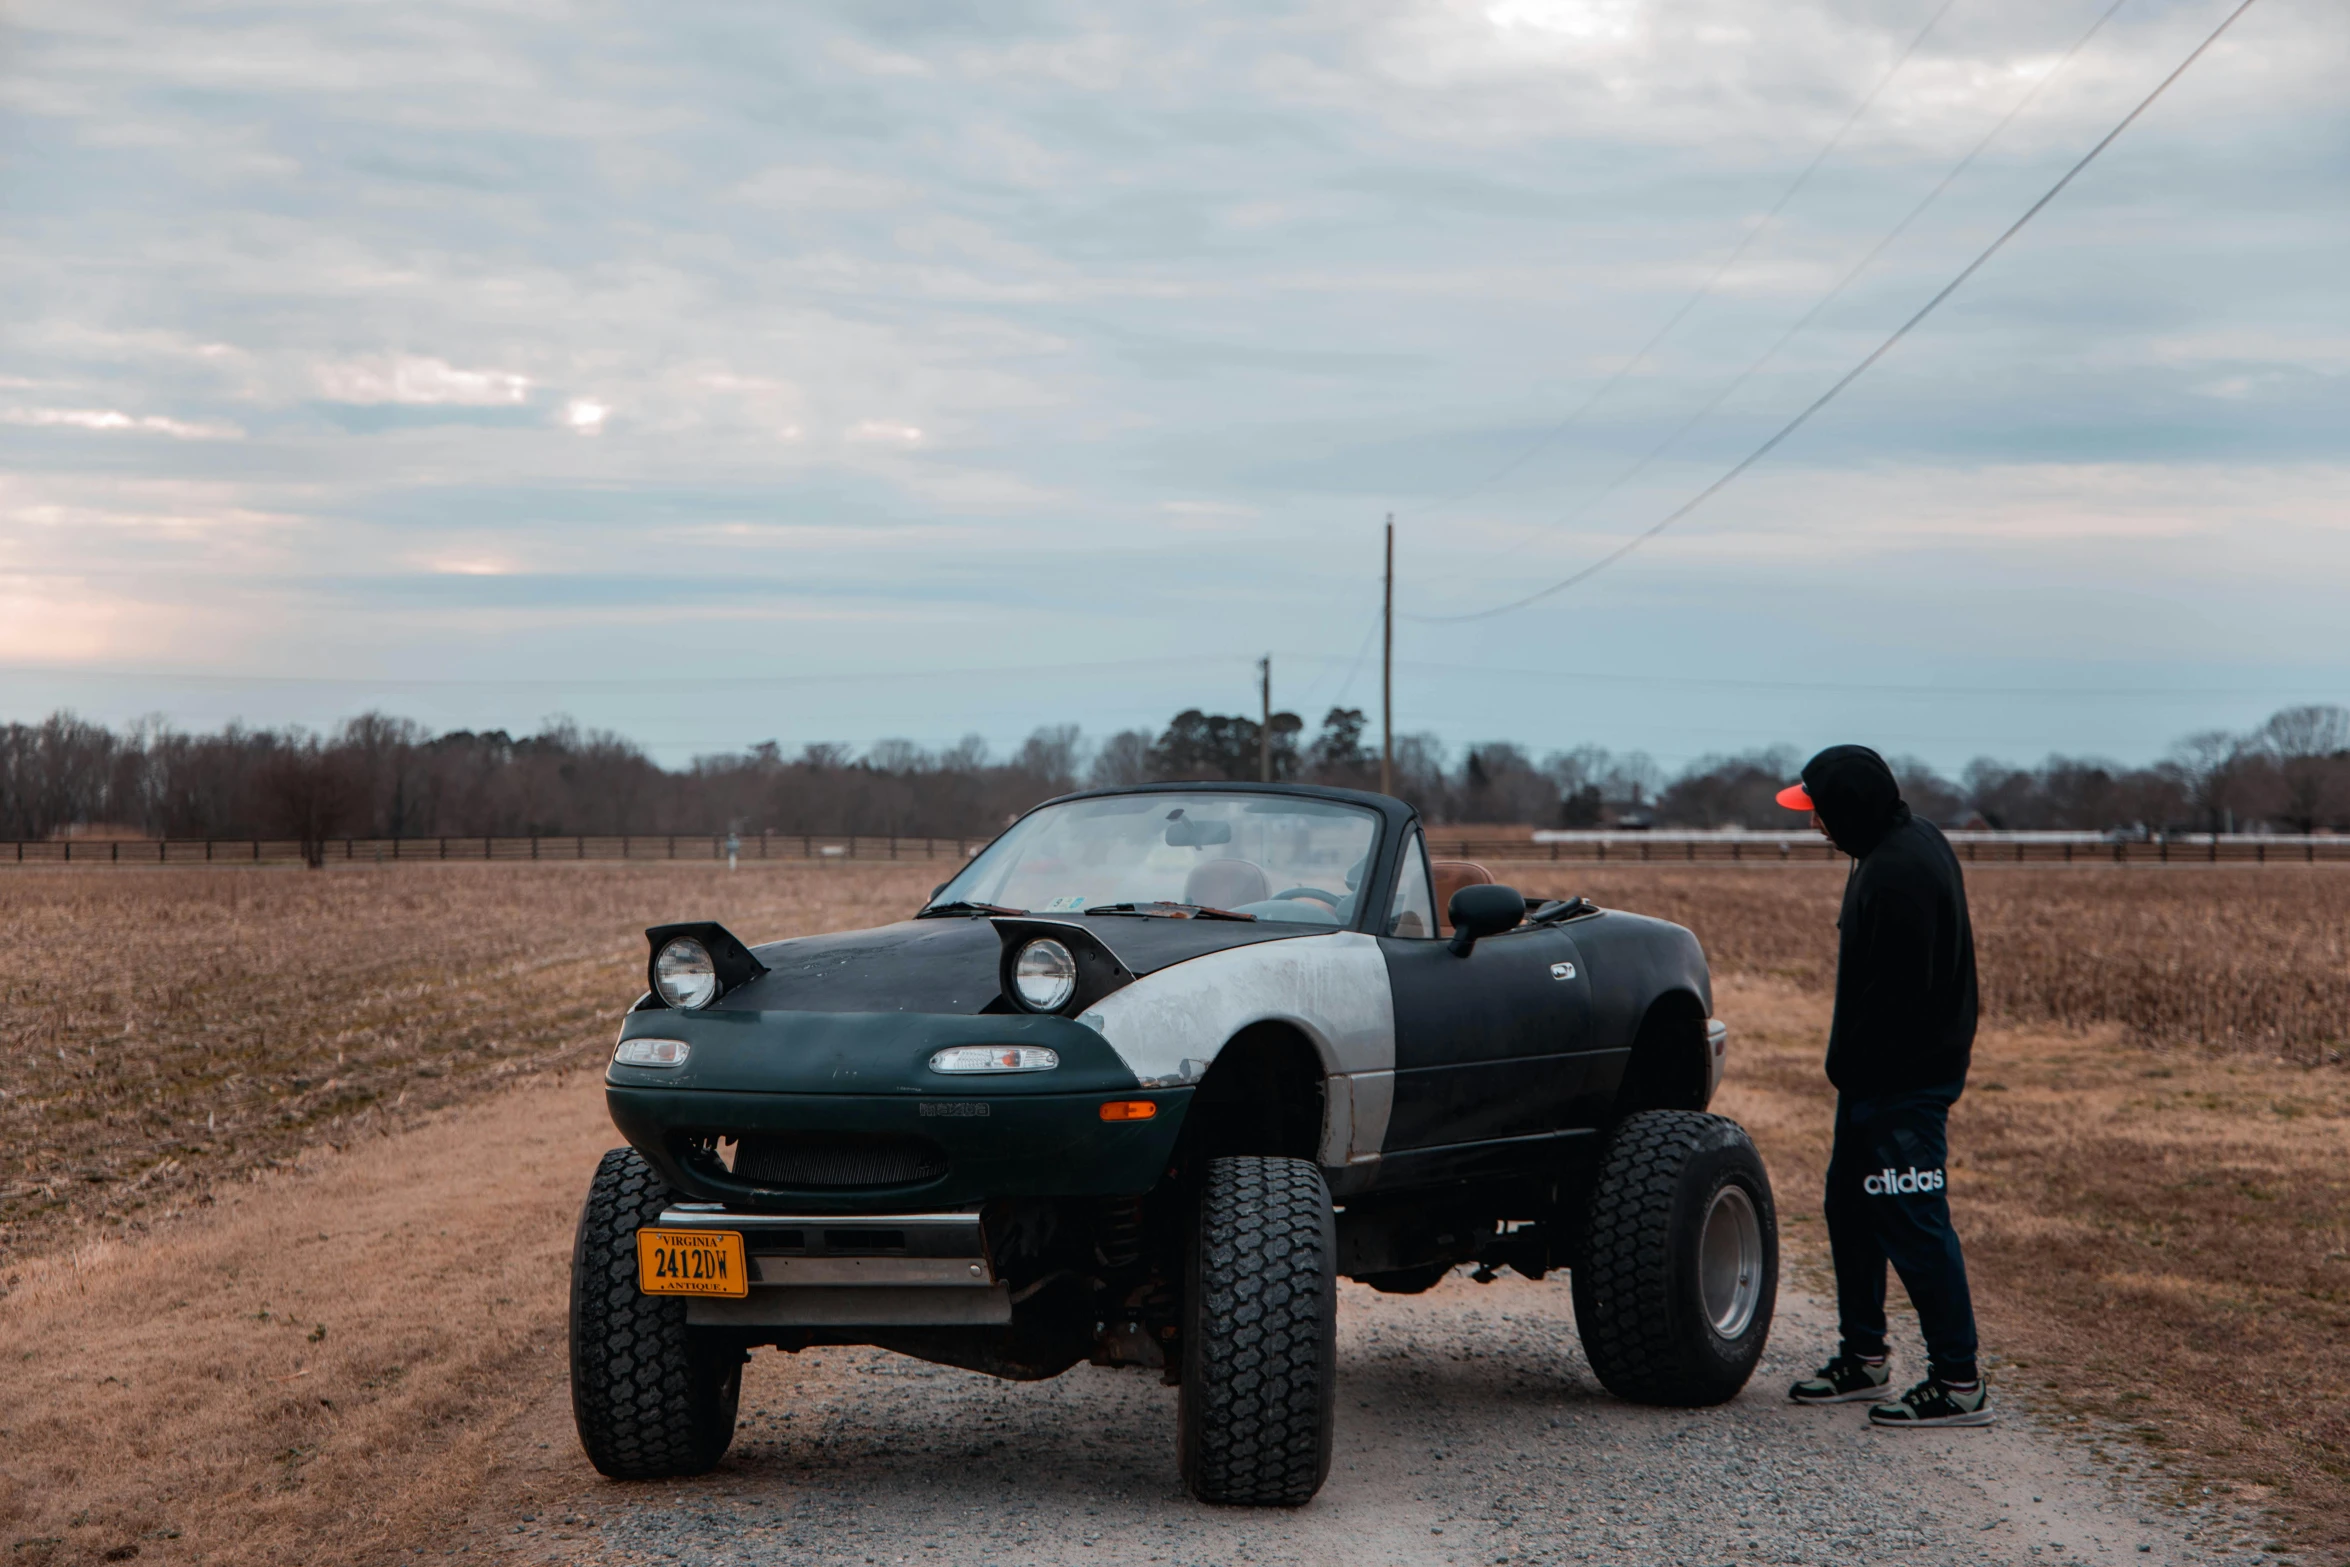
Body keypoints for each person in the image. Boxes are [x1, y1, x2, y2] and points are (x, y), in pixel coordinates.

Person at [1778, 745, 1991, 1429]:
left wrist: (1874, 1078)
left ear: (1848, 809)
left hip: (1901, 1085)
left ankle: (1959, 1382)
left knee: (1915, 1224)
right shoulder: (1893, 847)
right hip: (1873, 1083)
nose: (1814, 826)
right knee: (1850, 1209)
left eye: (1818, 813)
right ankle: (1864, 1357)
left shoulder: (1899, 871)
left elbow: (1904, 1000)